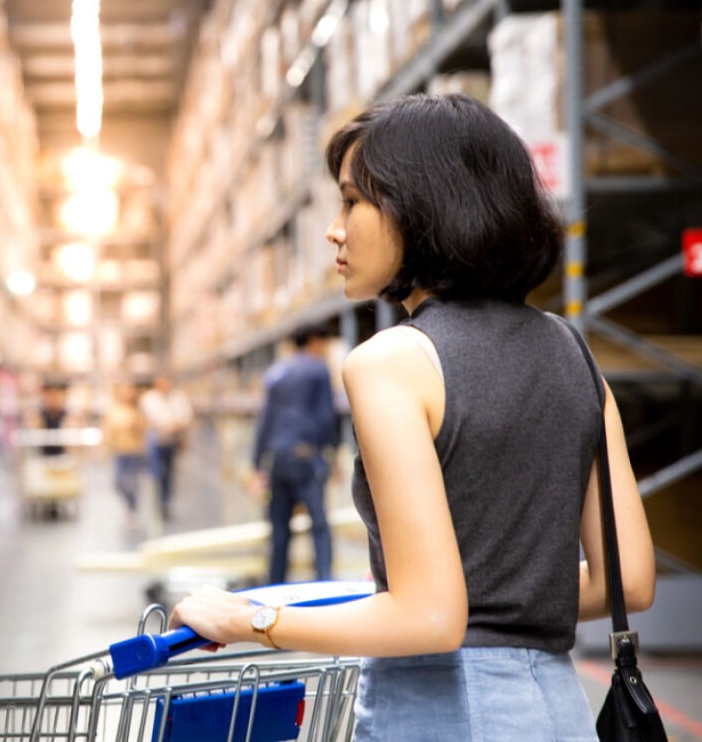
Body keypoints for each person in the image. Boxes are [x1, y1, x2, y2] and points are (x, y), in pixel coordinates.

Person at [168, 94, 656, 740]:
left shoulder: (392, 364)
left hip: (445, 714)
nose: (333, 229)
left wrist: (251, 620)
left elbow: (430, 619)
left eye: (351, 202)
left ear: (419, 203)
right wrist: (501, 603)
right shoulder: (575, 356)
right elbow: (632, 580)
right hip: (559, 711)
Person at [250, 323, 339, 583]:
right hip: (305, 458)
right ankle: (325, 582)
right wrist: (332, 454)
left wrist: (257, 463)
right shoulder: (318, 369)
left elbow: (265, 419)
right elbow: (325, 415)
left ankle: (275, 584)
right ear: (313, 341)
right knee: (319, 526)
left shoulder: (277, 372)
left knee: (279, 529)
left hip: (277, 459)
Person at [139, 374, 192, 521]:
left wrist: (176, 427)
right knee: (156, 472)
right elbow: (144, 419)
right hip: (155, 442)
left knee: (168, 473)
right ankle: (157, 500)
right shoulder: (149, 399)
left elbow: (186, 418)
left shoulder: (179, 398)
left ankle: (165, 502)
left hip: (172, 441)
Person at [101, 382, 146, 526]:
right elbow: (108, 430)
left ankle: (132, 510)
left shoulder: (137, 411)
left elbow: (144, 428)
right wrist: (105, 446)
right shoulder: (114, 411)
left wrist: (136, 425)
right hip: (120, 452)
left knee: (132, 483)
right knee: (119, 482)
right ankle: (129, 504)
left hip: (134, 452)